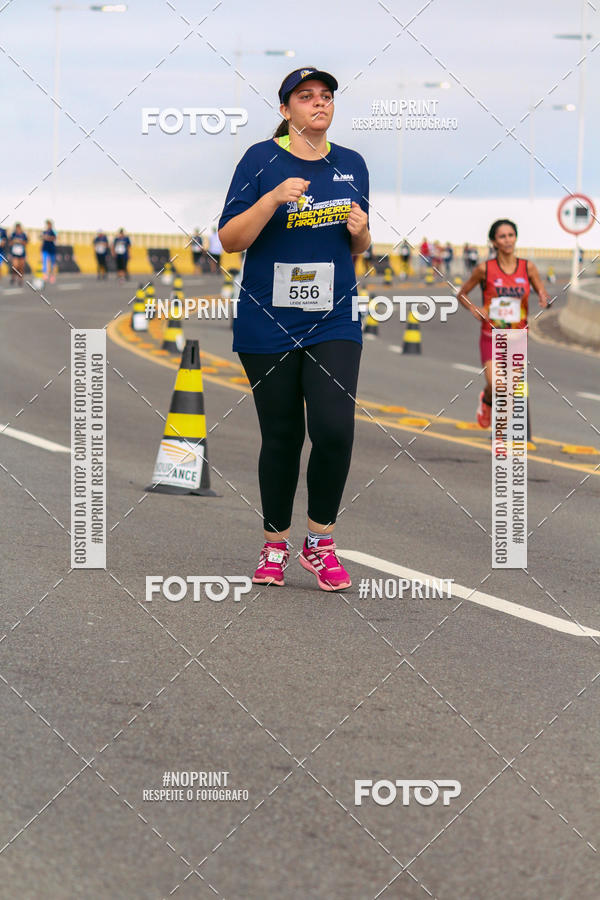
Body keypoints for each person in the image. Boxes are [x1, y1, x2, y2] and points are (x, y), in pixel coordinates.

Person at [218, 66, 370, 592]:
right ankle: (274, 544)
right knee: (282, 435)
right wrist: (271, 198)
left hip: (334, 318)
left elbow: (355, 247)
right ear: (286, 110)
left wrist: (362, 232)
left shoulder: (351, 165)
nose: (319, 104)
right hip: (268, 319)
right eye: (306, 97)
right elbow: (230, 239)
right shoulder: (260, 160)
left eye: (326, 96)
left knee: (335, 429)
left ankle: (319, 543)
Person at [457, 219, 549, 437]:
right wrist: (475, 308)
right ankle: (487, 399)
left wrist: (545, 298)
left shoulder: (528, 267)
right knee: (498, 385)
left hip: (517, 338)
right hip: (492, 336)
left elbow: (541, 291)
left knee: (509, 391)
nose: (507, 240)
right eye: (502, 236)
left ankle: (501, 435)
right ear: (494, 242)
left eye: (510, 235)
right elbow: (462, 294)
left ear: (515, 238)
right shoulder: (484, 269)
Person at [41, 219, 57, 283]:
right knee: (44, 262)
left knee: (52, 263)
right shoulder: (44, 232)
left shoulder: (53, 231)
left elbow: (55, 238)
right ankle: (45, 275)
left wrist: (48, 238)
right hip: (45, 248)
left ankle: (52, 276)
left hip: (52, 249)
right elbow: (42, 238)